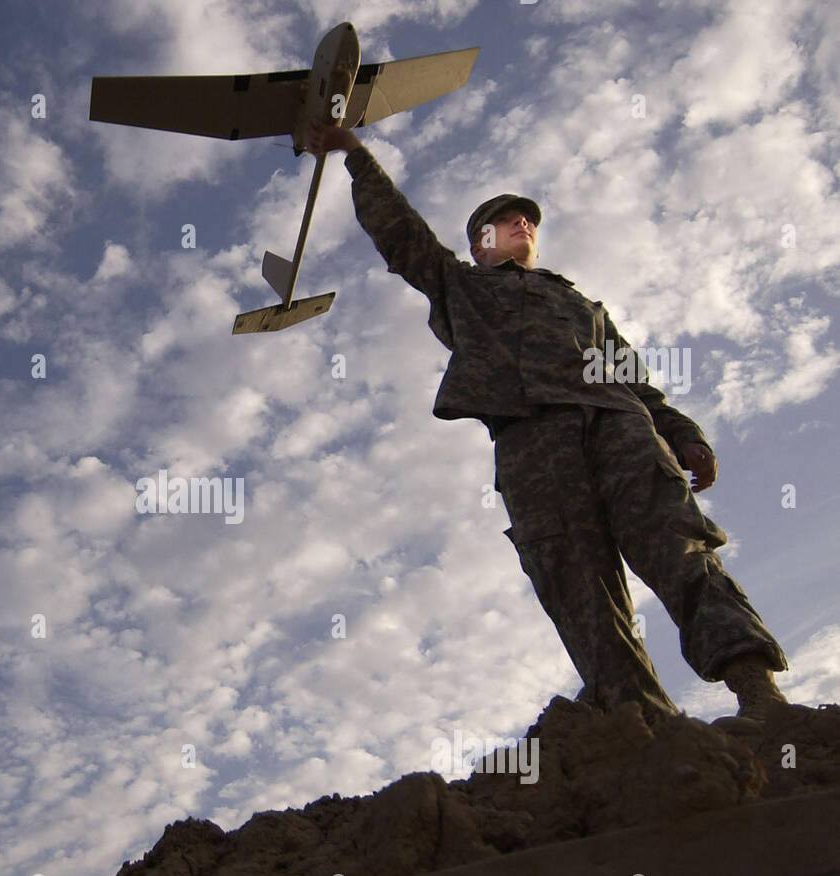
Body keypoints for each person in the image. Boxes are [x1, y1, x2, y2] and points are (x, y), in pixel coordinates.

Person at [305, 119, 793, 723]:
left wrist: (684, 434)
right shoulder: (460, 286)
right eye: (507, 219)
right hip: (531, 441)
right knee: (579, 585)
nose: (523, 223)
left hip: (619, 424)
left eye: (527, 217)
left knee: (678, 543)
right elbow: (400, 233)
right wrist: (354, 153)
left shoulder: (582, 305)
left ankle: (757, 687)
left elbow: (636, 380)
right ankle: (645, 727)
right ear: (481, 241)